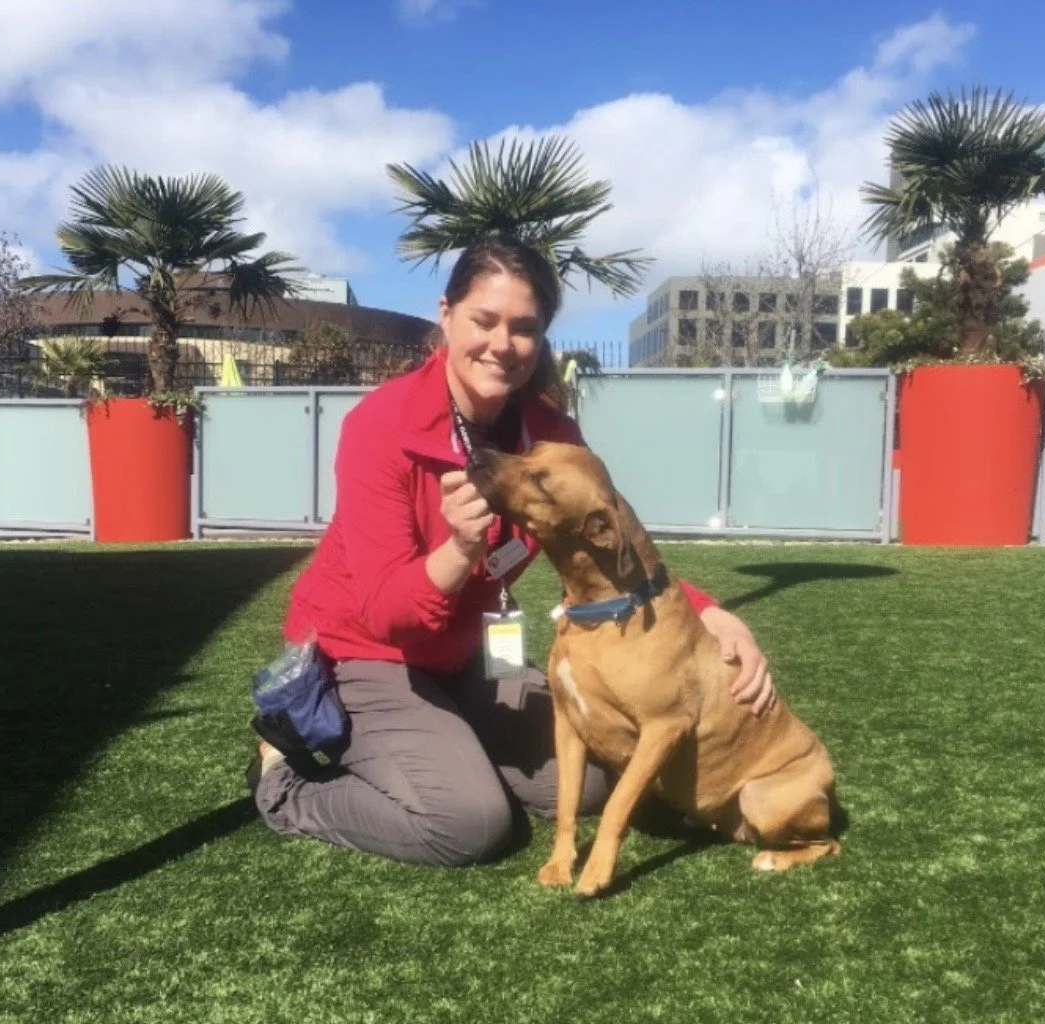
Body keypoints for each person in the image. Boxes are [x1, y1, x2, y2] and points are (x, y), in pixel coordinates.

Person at [247, 237, 776, 867]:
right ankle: (283, 783)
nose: (503, 344)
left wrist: (708, 612)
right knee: (469, 823)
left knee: (603, 773)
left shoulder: (550, 434)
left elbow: (612, 544)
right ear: (446, 314)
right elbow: (385, 613)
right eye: (484, 320)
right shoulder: (379, 428)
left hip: (464, 658)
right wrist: (457, 551)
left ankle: (450, 752)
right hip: (362, 654)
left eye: (524, 328)